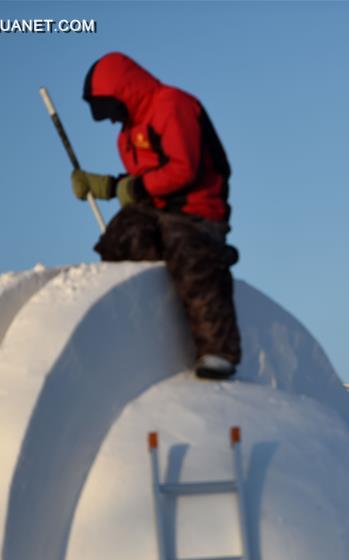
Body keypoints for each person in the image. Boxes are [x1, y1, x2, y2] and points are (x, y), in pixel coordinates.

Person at [70, 52, 240, 379]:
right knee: (122, 237)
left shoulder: (172, 105)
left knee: (189, 252)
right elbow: (144, 181)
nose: (110, 120)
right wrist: (105, 186)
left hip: (198, 209)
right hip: (160, 209)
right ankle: (134, 326)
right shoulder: (128, 133)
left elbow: (184, 168)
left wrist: (137, 188)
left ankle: (218, 349)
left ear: (120, 93)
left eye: (109, 110)